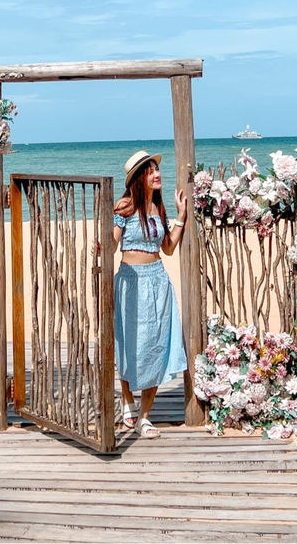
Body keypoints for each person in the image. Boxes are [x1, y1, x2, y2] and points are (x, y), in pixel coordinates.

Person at [112, 150, 188, 438]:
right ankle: (127, 397)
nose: (157, 174)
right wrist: (103, 242)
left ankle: (145, 416)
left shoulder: (159, 209)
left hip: (158, 280)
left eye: (157, 169)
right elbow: (111, 245)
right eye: (151, 170)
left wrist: (181, 216)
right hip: (130, 281)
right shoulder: (125, 207)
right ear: (138, 178)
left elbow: (167, 248)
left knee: (156, 344)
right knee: (129, 342)